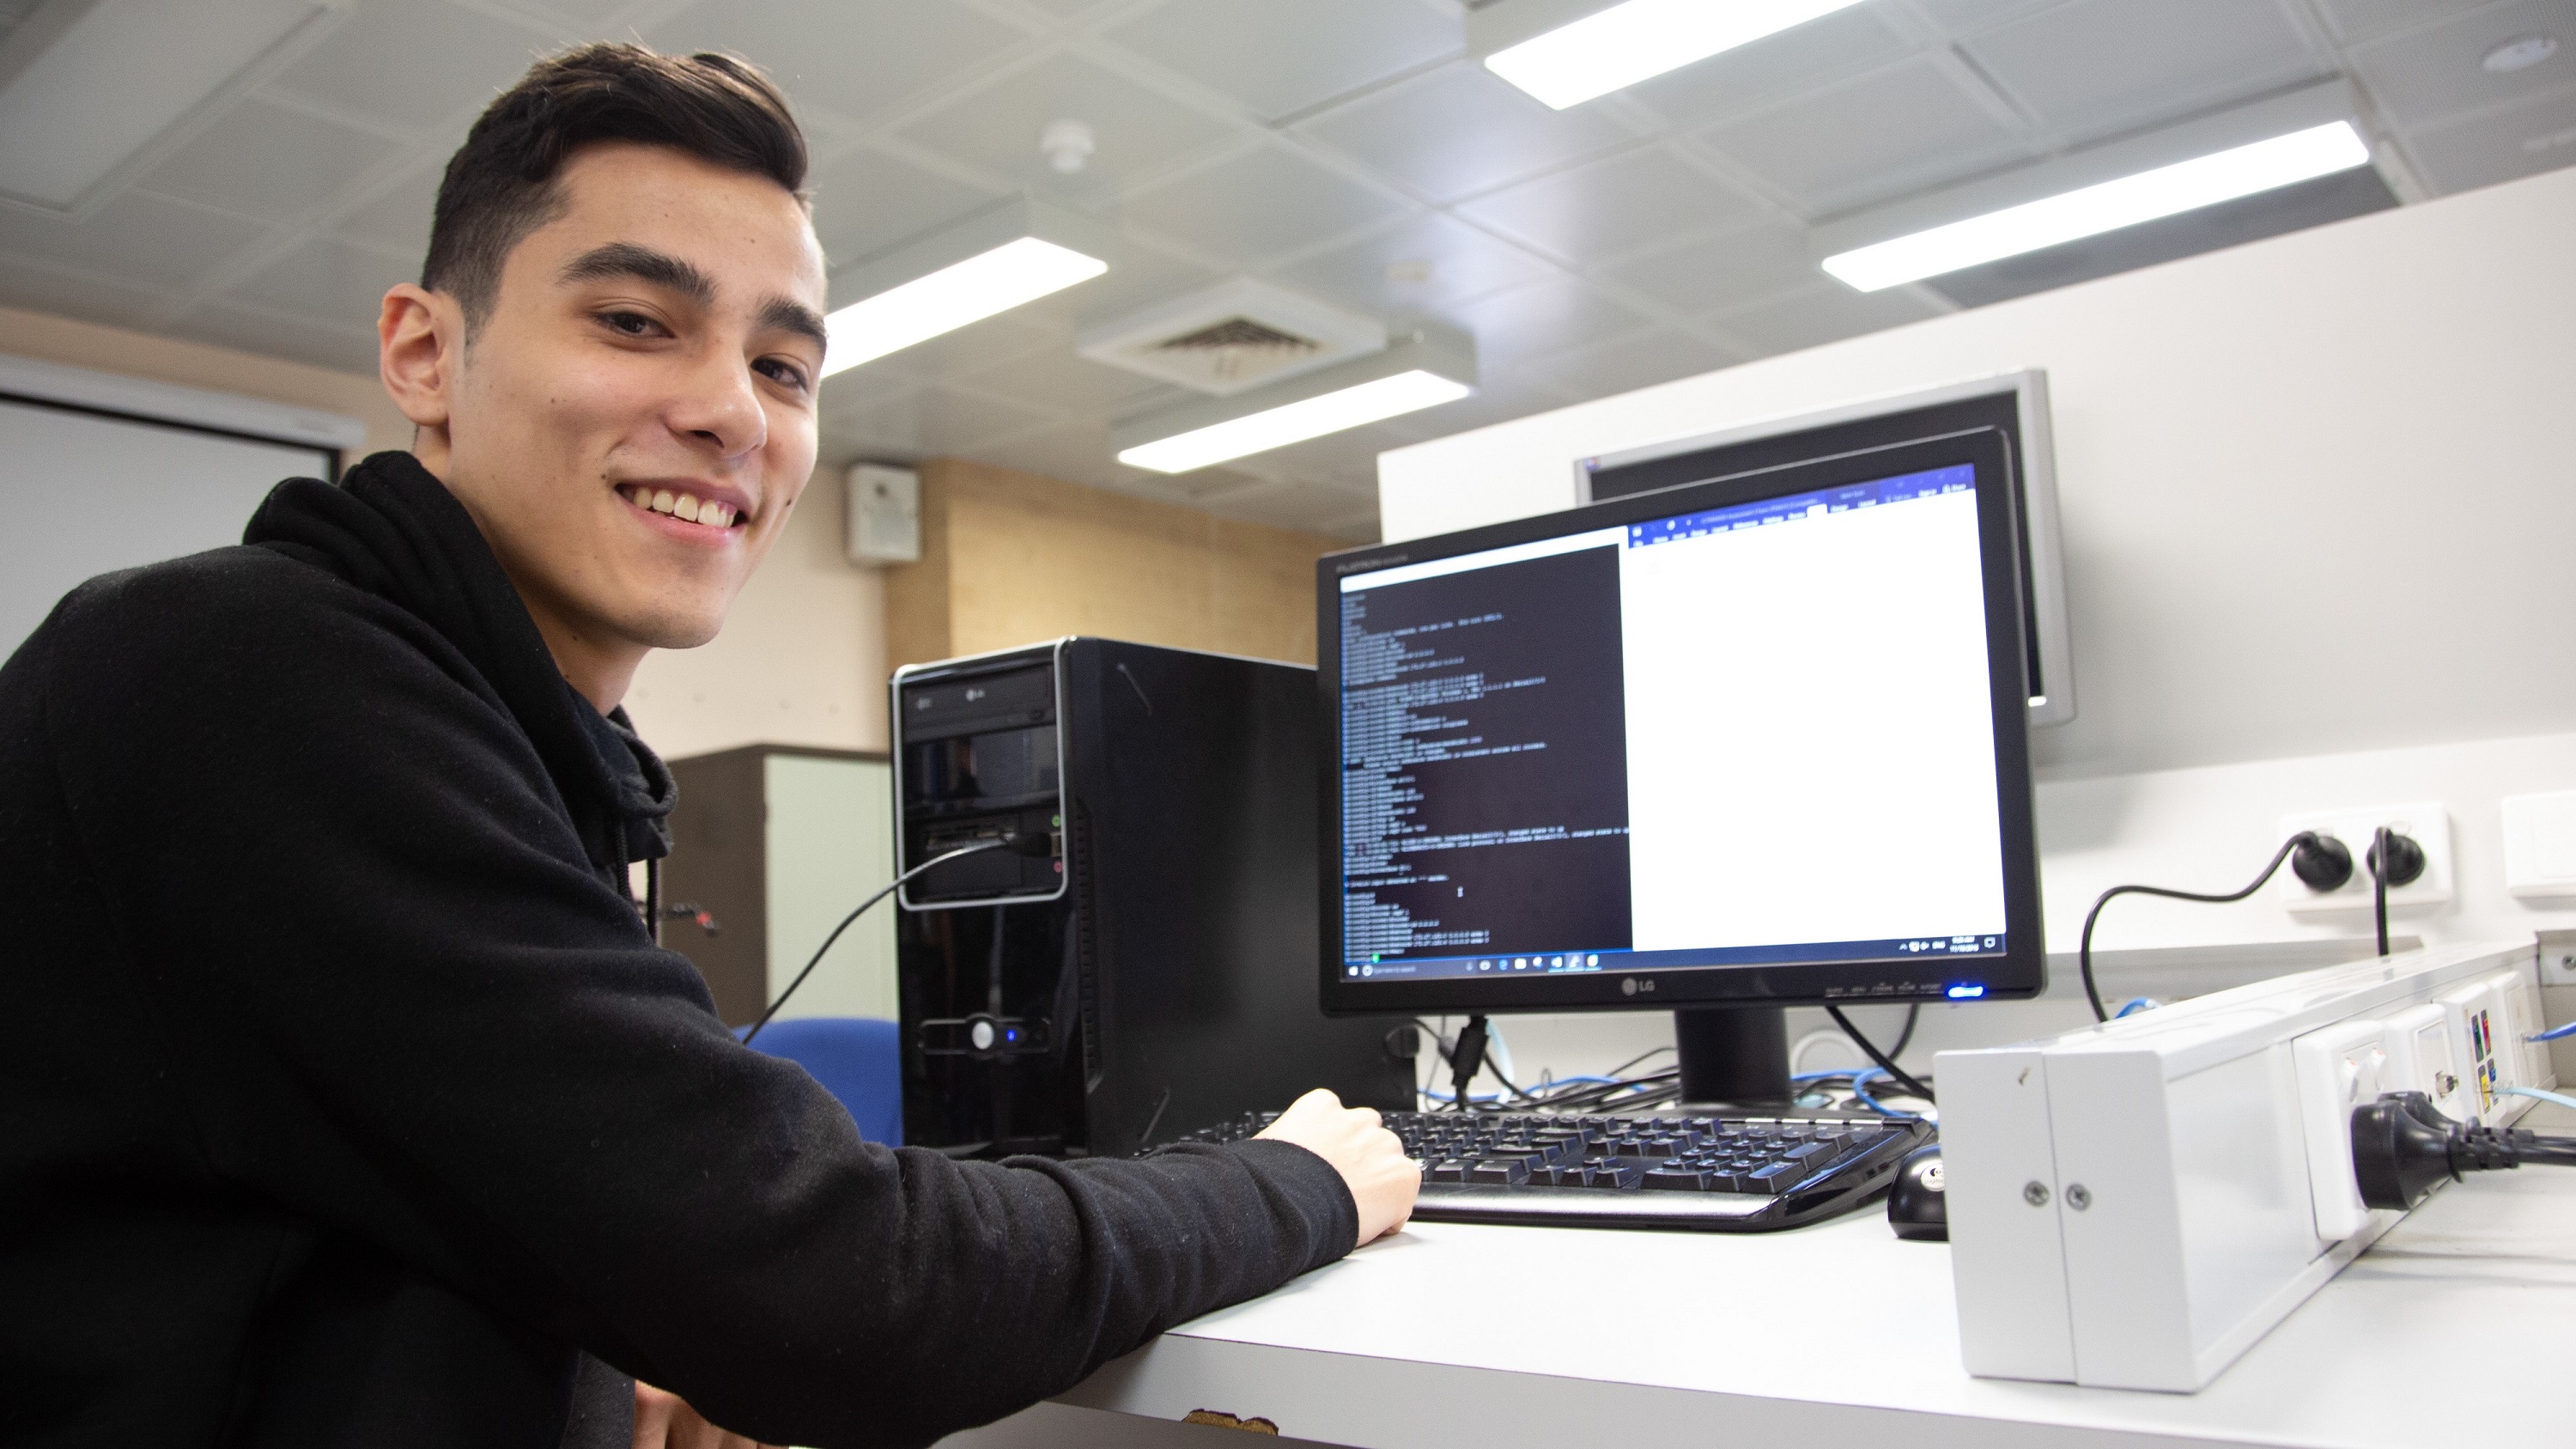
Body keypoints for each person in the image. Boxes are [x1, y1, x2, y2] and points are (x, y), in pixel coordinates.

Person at [0, 42, 1416, 1449]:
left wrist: (599, 1376)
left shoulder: (501, 729)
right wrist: (1289, 1177)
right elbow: (850, 1298)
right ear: (426, 354)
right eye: (633, 320)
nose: (733, 410)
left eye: (783, 365)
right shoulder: (244, 679)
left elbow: (390, 1210)